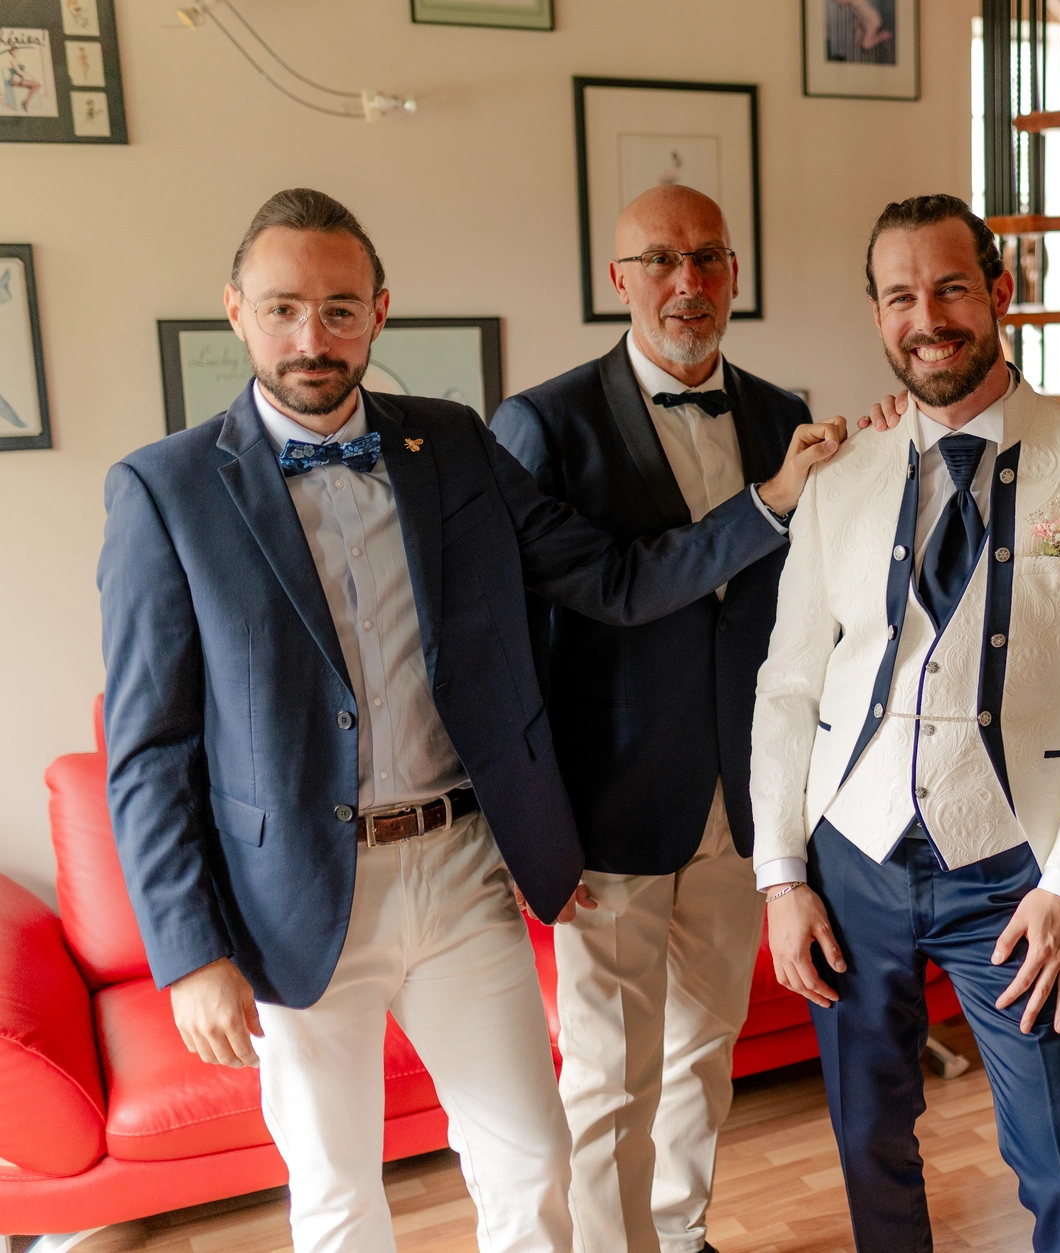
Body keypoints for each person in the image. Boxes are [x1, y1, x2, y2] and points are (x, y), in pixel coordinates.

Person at [97, 187, 844, 1253]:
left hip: (459, 872)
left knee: (531, 1161)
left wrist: (771, 500)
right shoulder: (163, 490)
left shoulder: (449, 443)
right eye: (283, 309)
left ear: (380, 310)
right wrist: (186, 951)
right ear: (235, 310)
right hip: (295, 897)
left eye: (341, 309)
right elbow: (150, 749)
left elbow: (611, 581)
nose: (314, 338)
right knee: (338, 1191)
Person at [748, 193, 1060, 1253]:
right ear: (877, 313)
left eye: (947, 287)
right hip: (853, 862)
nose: (924, 316)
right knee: (867, 1140)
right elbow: (786, 687)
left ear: (999, 292)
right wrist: (782, 876)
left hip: (1015, 875)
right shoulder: (837, 475)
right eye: (899, 296)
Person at [491, 184, 815, 1253]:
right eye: (662, 260)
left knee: (703, 1049)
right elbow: (554, 618)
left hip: (744, 797)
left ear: (733, 272)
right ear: (619, 277)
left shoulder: (780, 411)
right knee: (607, 1075)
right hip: (611, 805)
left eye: (710, 258)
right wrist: (537, 819)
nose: (688, 282)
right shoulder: (541, 423)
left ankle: (678, 1230)